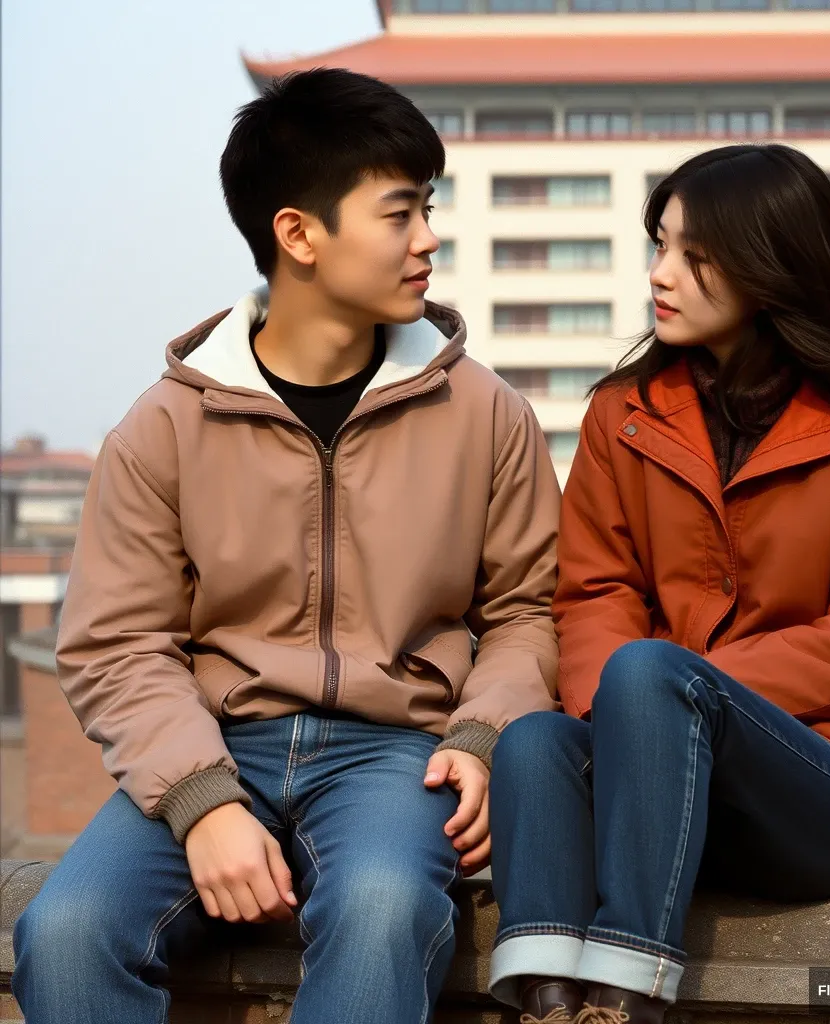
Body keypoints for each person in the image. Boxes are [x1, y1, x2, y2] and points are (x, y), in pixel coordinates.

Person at [12, 68, 561, 1024]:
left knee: (386, 909)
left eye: (427, 209)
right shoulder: (163, 427)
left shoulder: (486, 414)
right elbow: (115, 643)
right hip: (212, 739)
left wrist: (483, 737)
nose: (428, 239)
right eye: (399, 214)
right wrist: (202, 800)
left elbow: (527, 611)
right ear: (298, 233)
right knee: (64, 931)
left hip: (401, 755)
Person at [486, 143, 830, 1024]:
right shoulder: (621, 414)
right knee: (531, 743)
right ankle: (549, 1001)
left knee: (648, 674)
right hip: (662, 790)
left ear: (771, 265)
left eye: (694, 256)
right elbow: (594, 592)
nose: (659, 274)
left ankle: (628, 999)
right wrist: (637, 716)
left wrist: (684, 692)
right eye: (661, 244)